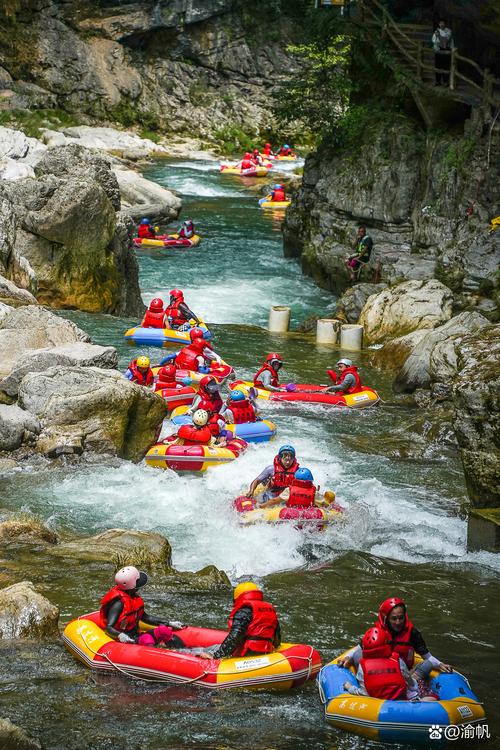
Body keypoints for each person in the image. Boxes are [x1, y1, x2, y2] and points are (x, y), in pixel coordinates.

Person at [337, 596, 453, 673]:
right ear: (386, 619)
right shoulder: (378, 632)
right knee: (358, 654)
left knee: (427, 665)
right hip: (382, 671)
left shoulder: (412, 632)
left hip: (405, 672)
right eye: (394, 619)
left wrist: (439, 664)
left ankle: (412, 685)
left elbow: (426, 656)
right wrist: (347, 657)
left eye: (401, 618)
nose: (398, 622)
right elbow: (360, 648)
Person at [343, 627, 438, 702]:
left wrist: (350, 687)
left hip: (376, 702)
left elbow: (363, 693)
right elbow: (412, 685)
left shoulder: (362, 667)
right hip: (401, 701)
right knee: (432, 697)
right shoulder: (397, 660)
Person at [99, 566, 185, 646]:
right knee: (147, 640)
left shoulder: (133, 598)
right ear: (132, 586)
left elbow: (145, 617)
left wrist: (169, 623)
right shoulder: (118, 603)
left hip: (136, 635)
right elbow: (109, 627)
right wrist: (120, 635)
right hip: (127, 639)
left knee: (164, 631)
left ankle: (187, 652)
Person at [205, 582, 280, 660]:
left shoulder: (244, 611)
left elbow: (235, 637)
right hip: (266, 652)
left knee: (203, 650)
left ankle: (192, 653)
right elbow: (277, 639)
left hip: (247, 653)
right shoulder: (269, 610)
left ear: (237, 598)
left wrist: (216, 656)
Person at [432, 19, 454, 87]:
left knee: (445, 66)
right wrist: (439, 42)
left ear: (445, 24)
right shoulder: (436, 31)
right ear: (439, 24)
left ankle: (446, 82)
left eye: (443, 23)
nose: (441, 24)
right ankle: (437, 81)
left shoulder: (448, 31)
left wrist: (439, 37)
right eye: (440, 23)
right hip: (438, 50)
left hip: (446, 50)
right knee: (438, 66)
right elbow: (434, 41)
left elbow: (445, 42)